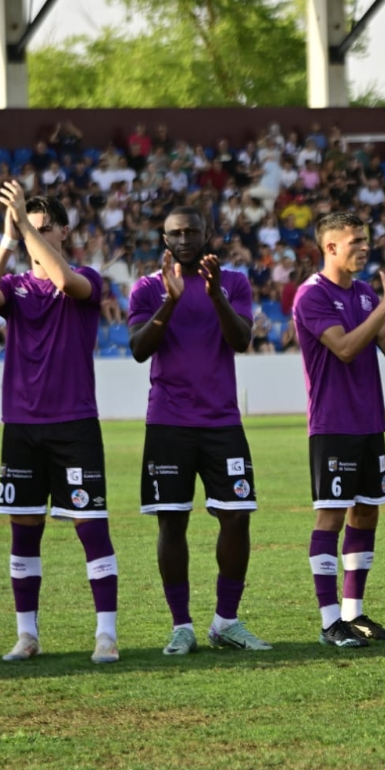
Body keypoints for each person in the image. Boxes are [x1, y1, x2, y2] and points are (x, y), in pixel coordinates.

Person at [0, 179, 120, 664]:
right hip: (21, 425)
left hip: (74, 424)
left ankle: (106, 635)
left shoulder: (87, 279)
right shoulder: (14, 288)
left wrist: (25, 228)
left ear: (62, 232)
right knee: (24, 529)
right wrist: (7, 238)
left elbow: (62, 281)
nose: (30, 235)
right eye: (27, 227)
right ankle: (27, 636)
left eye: (41, 228)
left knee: (90, 527)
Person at [128, 207, 271, 655]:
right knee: (172, 522)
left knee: (237, 516)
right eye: (176, 233)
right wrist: (170, 302)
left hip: (221, 420)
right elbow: (138, 350)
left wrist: (215, 296)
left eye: (192, 231)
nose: (185, 239)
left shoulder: (234, 282)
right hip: (168, 421)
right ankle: (182, 625)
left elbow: (241, 339)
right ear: (164, 238)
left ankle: (226, 621)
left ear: (207, 234)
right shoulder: (148, 288)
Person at [291, 211, 385, 648]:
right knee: (331, 515)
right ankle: (329, 620)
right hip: (333, 423)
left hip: (369, 420)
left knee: (367, 510)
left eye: (366, 240)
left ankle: (354, 613)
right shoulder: (311, 295)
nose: (364, 247)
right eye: (355, 241)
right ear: (330, 247)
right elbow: (347, 348)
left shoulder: (364, 294)